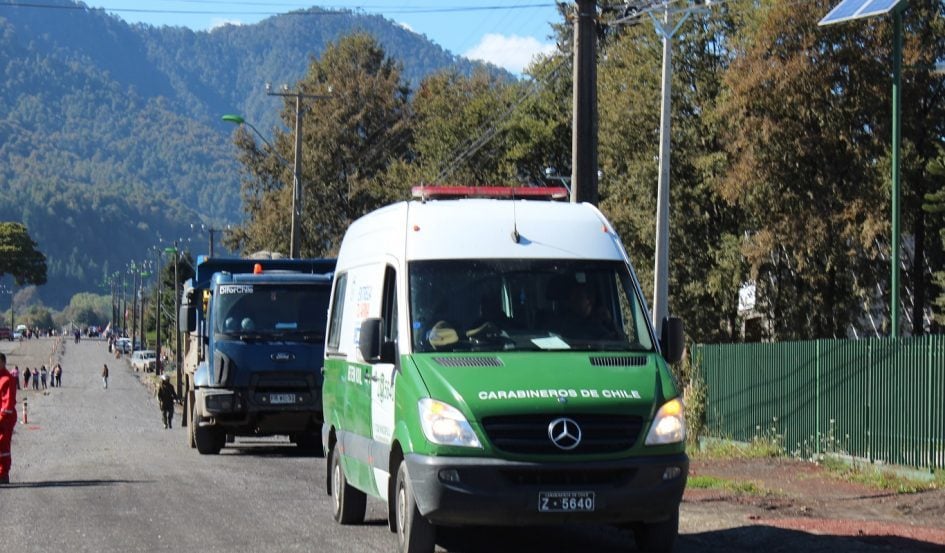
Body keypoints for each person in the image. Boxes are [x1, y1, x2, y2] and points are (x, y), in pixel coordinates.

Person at [0, 352, 18, 484]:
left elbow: (8, 403)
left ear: (3, 362)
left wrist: (1, 417)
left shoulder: (8, 378)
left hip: (5, 419)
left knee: (3, 445)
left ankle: (3, 474)